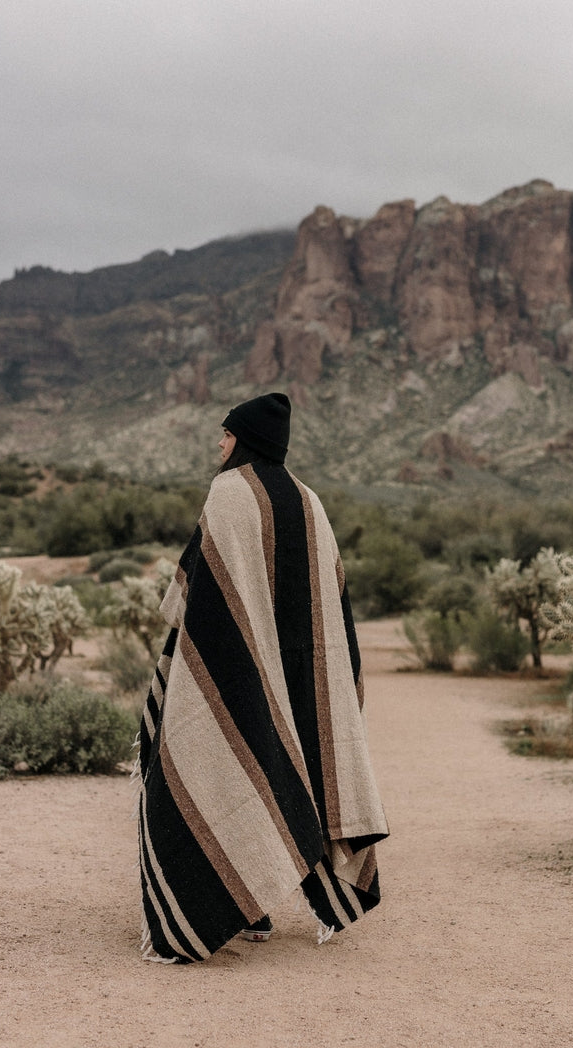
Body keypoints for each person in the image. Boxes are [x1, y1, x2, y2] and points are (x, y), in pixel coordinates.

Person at [137, 392, 389, 963]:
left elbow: (201, 589)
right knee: (290, 774)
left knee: (225, 767)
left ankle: (236, 907)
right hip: (305, 679)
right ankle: (259, 905)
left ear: (245, 440)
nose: (218, 443)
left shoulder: (229, 492)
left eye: (226, 434)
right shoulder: (309, 499)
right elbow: (333, 598)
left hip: (236, 666)